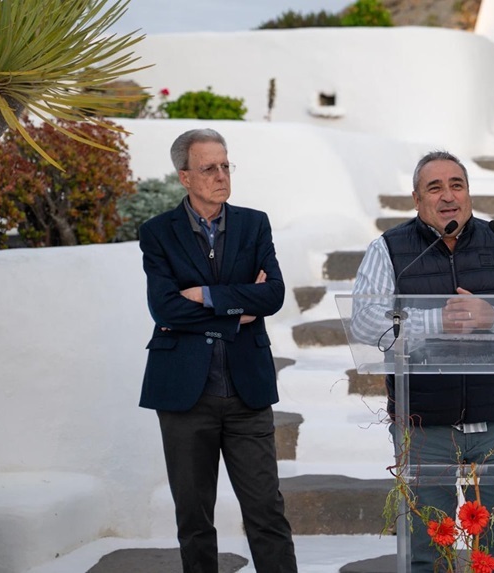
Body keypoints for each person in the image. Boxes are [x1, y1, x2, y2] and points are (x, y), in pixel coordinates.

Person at [352, 150, 494, 573]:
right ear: (416, 199)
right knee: (428, 553)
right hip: (423, 427)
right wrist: (435, 321)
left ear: (468, 193)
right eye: (435, 187)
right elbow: (365, 322)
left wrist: (493, 318)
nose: (448, 196)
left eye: (456, 185)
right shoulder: (388, 249)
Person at [138, 128, 297, 573]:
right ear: (185, 177)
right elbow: (164, 307)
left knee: (266, 512)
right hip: (184, 394)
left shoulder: (254, 223)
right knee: (193, 518)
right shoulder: (157, 232)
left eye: (226, 165)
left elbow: (273, 294)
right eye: (209, 168)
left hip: (247, 390)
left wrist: (205, 296)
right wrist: (236, 310)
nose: (221, 175)